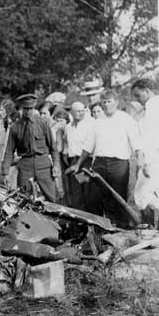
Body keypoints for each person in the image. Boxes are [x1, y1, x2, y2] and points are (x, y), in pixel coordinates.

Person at [66, 90, 143, 227]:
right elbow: (88, 147)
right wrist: (78, 164)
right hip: (99, 164)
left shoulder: (125, 119)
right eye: (104, 102)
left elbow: (137, 144)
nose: (106, 105)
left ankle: (122, 228)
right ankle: (99, 228)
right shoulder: (97, 122)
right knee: (95, 198)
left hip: (118, 164)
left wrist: (140, 163)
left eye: (109, 101)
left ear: (116, 102)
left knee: (118, 198)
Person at [1, 94, 60, 202]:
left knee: (52, 197)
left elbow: (53, 147)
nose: (28, 111)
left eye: (30, 109)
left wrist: (56, 165)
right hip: (25, 165)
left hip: (43, 163)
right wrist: (5, 172)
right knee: (23, 198)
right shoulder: (15, 127)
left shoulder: (43, 123)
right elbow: (9, 151)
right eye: (25, 109)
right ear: (21, 108)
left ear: (34, 108)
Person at [131, 79, 159, 226]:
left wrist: (145, 161)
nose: (137, 99)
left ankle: (150, 228)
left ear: (147, 90)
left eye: (138, 95)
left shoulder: (153, 105)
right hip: (151, 155)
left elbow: (151, 137)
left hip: (153, 157)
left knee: (145, 193)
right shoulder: (147, 108)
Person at [62, 101, 93, 210]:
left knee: (87, 191)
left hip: (85, 162)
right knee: (76, 193)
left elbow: (90, 146)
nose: (80, 113)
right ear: (71, 112)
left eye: (82, 111)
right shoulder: (68, 127)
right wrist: (65, 153)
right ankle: (79, 223)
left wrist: (80, 164)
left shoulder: (89, 125)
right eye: (77, 111)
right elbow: (66, 141)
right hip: (73, 161)